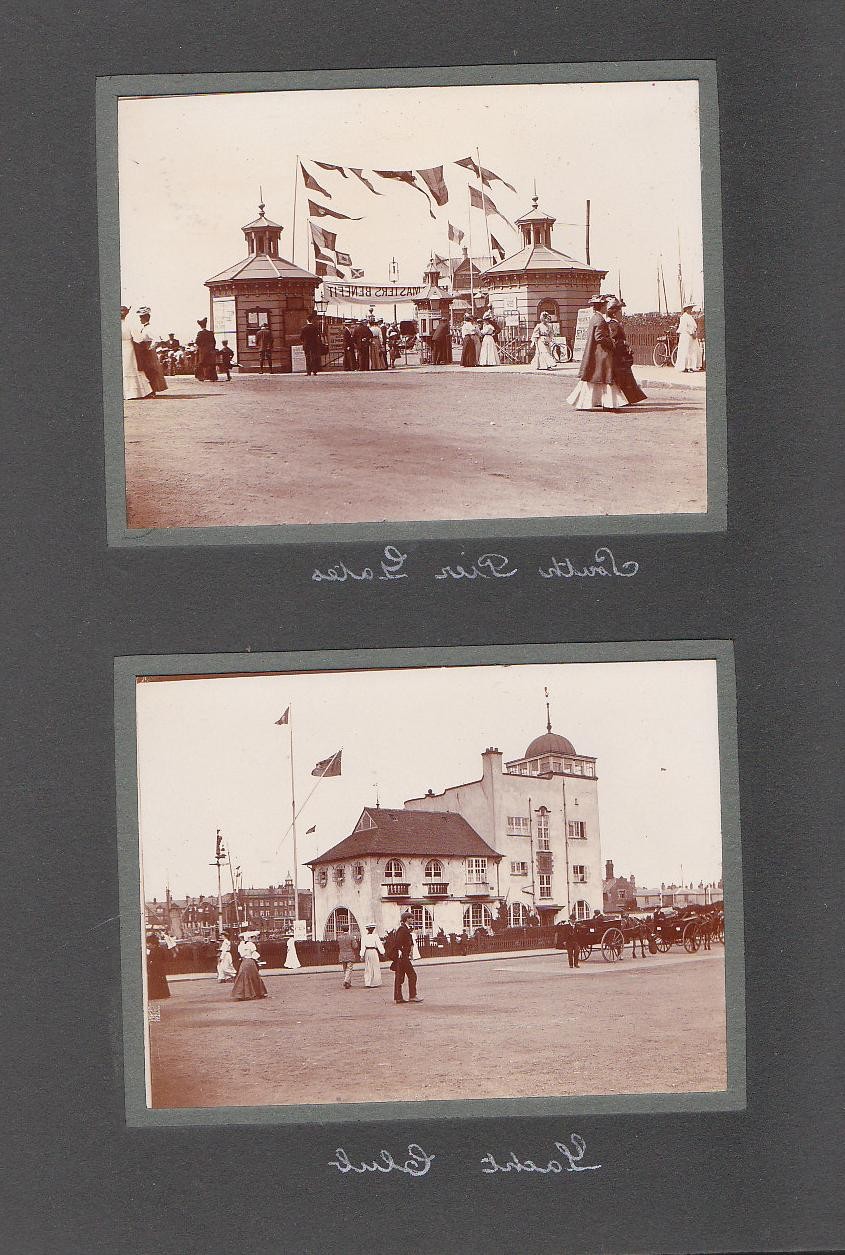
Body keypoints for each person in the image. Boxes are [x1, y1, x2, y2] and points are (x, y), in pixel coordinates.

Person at [566, 295, 627, 410]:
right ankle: (609, 404)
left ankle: (590, 403)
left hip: (596, 352)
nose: (606, 307)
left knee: (596, 378)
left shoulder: (594, 318)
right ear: (602, 307)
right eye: (604, 305)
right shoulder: (600, 320)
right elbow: (599, 337)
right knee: (606, 376)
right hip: (602, 353)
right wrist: (611, 343)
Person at [605, 297, 647, 404]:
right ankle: (628, 398)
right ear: (614, 313)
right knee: (624, 377)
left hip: (620, 354)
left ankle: (630, 398)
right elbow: (613, 339)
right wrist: (624, 343)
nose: (621, 313)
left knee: (626, 377)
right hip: (619, 355)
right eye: (619, 311)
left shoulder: (615, 323)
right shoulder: (613, 324)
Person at [134, 307, 168, 395]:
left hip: (148, 352)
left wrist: (150, 347)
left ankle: (153, 390)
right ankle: (150, 390)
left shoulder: (150, 328)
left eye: (141, 317)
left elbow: (156, 339)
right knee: (147, 370)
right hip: (144, 351)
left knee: (151, 370)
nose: (140, 319)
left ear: (146, 318)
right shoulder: (144, 328)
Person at [121, 306, 152, 400]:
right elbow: (138, 339)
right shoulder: (129, 324)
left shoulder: (122, 324)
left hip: (123, 348)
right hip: (126, 347)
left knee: (126, 368)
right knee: (128, 367)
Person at [392, 909, 423, 1004]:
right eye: (411, 918)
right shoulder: (402, 929)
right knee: (412, 975)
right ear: (406, 919)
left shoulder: (404, 929)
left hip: (403, 956)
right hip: (403, 957)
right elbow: (398, 943)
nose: (412, 920)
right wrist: (402, 952)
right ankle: (412, 996)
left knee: (400, 977)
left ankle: (398, 997)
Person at [232, 931, 268, 1000]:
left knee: (243, 977)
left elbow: (241, 954)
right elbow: (255, 954)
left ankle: (241, 994)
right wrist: (258, 959)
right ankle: (257, 992)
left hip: (244, 962)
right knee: (254, 977)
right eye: (254, 938)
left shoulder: (241, 945)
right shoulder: (251, 945)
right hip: (250, 962)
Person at [675, 302, 703, 372]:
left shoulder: (690, 317)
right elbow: (684, 327)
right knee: (686, 351)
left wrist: (694, 333)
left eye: (691, 308)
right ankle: (685, 367)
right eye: (690, 308)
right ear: (686, 309)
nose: (691, 310)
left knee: (693, 351)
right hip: (686, 336)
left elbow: (694, 327)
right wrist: (691, 333)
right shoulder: (683, 317)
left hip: (692, 336)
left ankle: (692, 366)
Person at [146, 932, 171, 999]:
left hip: (155, 967)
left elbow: (151, 958)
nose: (148, 945)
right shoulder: (160, 949)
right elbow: (164, 958)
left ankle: (156, 994)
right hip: (160, 967)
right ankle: (163, 993)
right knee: (160, 981)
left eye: (149, 943)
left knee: (155, 981)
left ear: (153, 943)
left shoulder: (153, 951)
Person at [337, 924, 357, 989]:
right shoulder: (351, 937)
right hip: (350, 955)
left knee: (345, 969)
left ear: (342, 929)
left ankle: (348, 983)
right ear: (348, 929)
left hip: (342, 955)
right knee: (349, 969)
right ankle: (346, 981)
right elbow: (355, 946)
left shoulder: (339, 937)